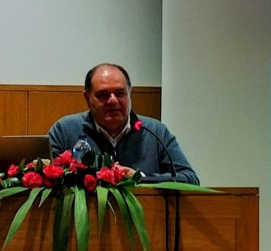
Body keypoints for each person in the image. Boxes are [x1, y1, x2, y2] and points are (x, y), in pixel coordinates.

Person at [48, 63, 199, 184]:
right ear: (87, 98)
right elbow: (43, 178)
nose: (113, 101)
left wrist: (141, 177)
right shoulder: (65, 130)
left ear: (129, 93)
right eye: (103, 95)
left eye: (120, 93)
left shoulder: (155, 131)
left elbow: (189, 178)